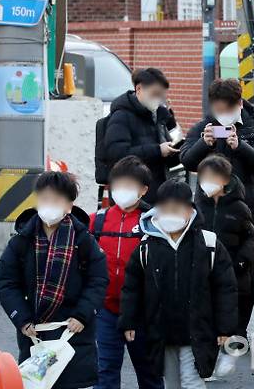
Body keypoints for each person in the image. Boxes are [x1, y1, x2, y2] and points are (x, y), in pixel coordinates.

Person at [118, 179, 238, 389]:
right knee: (171, 382)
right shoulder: (146, 246)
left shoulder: (208, 244)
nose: (171, 214)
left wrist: (225, 328)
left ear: (190, 210)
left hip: (197, 330)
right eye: (166, 208)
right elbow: (132, 287)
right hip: (161, 330)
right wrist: (128, 321)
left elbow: (225, 288)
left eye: (177, 208)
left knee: (192, 381)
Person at [0, 171, 109, 389]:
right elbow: (7, 281)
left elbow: (98, 279)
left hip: (74, 331)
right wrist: (22, 319)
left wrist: (83, 314)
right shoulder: (22, 240)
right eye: (44, 199)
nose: (49, 205)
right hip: (35, 331)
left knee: (74, 382)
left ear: (69, 205)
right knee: (36, 384)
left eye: (56, 200)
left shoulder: (83, 239)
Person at [89, 156, 163, 389]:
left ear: (143, 190)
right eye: (118, 184)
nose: (123, 191)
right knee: (104, 371)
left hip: (143, 312)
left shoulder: (154, 221)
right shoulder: (97, 221)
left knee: (149, 372)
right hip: (105, 310)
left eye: (130, 186)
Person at [179, 78, 254, 222]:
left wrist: (240, 146)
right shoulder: (202, 128)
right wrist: (203, 144)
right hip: (208, 206)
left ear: (240, 104)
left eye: (228, 110)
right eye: (219, 110)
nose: (224, 114)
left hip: (247, 207)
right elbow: (186, 160)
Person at [194, 154, 254, 340]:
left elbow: (253, 236)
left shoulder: (239, 208)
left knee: (239, 298)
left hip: (233, 267)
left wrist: (242, 260)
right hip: (203, 267)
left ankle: (238, 333)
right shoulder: (196, 206)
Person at [105, 68, 180, 204]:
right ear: (139, 89)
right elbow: (117, 153)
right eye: (155, 94)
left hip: (156, 193)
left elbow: (163, 155)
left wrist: (173, 152)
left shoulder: (157, 116)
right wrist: (158, 150)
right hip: (130, 195)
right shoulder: (121, 116)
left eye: (161, 96)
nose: (158, 99)